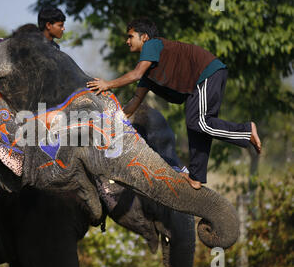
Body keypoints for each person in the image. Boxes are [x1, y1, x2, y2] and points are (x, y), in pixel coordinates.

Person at [87, 17, 261, 190]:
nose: (127, 41)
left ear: (145, 37)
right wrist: (112, 125)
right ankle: (196, 177)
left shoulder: (152, 45)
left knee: (199, 122)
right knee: (195, 125)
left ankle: (245, 131)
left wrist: (107, 84)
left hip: (207, 73)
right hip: (199, 84)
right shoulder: (149, 73)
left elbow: (135, 75)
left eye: (131, 36)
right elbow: (134, 102)